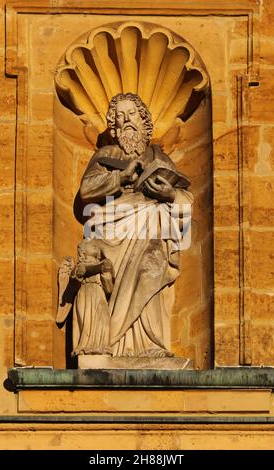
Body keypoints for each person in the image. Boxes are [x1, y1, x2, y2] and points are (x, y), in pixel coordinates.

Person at [79, 93, 193, 358]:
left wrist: (170, 195)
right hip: (114, 229)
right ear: (114, 127)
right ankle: (116, 343)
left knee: (151, 265)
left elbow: (186, 202)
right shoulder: (107, 154)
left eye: (131, 114)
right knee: (118, 276)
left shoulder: (160, 159)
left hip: (151, 227)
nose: (126, 120)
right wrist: (120, 177)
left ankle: (149, 342)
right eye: (120, 116)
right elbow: (86, 191)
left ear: (144, 121)